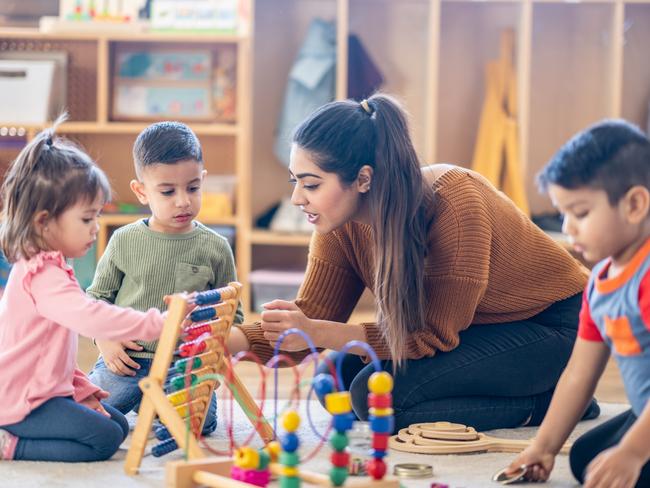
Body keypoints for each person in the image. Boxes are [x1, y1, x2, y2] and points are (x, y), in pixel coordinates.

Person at [227, 93, 599, 432]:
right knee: (336, 380)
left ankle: (551, 404)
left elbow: (431, 335)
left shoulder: (455, 205)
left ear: (363, 179)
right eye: (295, 181)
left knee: (378, 402)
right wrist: (228, 341)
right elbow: (309, 318)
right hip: (477, 327)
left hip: (558, 327)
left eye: (311, 185)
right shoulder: (338, 224)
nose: (296, 198)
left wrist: (319, 331)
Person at [0, 116, 165, 462]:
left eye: (97, 217)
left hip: (45, 388)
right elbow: (93, 318)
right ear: (44, 222)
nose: (95, 228)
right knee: (104, 440)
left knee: (118, 426)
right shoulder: (42, 275)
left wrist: (79, 386)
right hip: (24, 399)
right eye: (86, 219)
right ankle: (10, 445)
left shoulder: (52, 264)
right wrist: (156, 324)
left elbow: (48, 348)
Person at [503, 120, 650, 487]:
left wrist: (632, 452)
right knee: (589, 459)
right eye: (563, 212)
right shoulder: (600, 283)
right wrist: (544, 446)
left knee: (628, 466)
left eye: (581, 213)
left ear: (634, 204)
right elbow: (578, 373)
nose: (568, 228)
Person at [88, 121, 243, 436]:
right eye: (168, 191)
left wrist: (209, 354)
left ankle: (154, 406)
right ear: (141, 191)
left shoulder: (217, 247)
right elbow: (95, 300)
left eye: (193, 188)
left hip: (183, 366)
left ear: (203, 181)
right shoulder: (123, 240)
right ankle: (145, 402)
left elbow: (233, 316)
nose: (183, 201)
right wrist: (105, 340)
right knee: (88, 415)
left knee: (197, 426)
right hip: (127, 361)